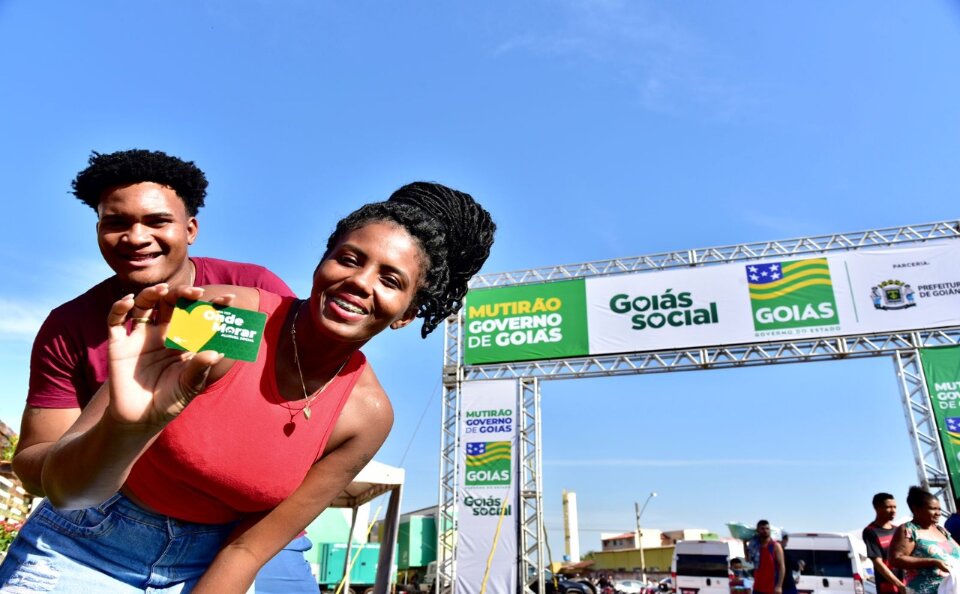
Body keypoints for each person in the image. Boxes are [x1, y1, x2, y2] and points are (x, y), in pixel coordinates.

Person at [0, 181, 496, 593]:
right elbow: (66, 492)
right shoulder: (223, 315)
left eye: (390, 280)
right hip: (87, 545)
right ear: (321, 261)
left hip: (209, 561)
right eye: (349, 259)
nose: (360, 282)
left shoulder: (367, 415)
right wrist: (126, 430)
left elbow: (246, 551)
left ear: (407, 314)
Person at [12, 149, 313, 593]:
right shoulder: (69, 325)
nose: (136, 237)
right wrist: (114, 436)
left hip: (249, 526)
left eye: (156, 221)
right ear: (98, 229)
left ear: (190, 229)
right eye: (116, 222)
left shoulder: (252, 291)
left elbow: (314, 401)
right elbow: (34, 463)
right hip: (104, 529)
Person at [889, 486, 960, 594]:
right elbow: (895, 559)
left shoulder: (941, 530)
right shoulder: (909, 530)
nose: (938, 513)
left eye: (939, 509)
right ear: (916, 509)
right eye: (933, 509)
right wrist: (933, 562)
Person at [863, 492, 906, 594]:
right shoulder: (870, 531)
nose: (893, 511)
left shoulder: (898, 530)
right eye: (888, 507)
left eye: (895, 507)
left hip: (906, 584)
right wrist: (899, 585)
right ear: (876, 508)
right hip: (889, 588)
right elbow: (878, 563)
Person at [750, 520, 785, 594]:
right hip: (757, 588)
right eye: (762, 529)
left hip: (771, 588)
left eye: (767, 528)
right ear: (757, 530)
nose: (765, 531)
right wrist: (744, 542)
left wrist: (779, 586)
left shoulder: (775, 546)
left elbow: (782, 566)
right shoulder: (755, 546)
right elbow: (748, 559)